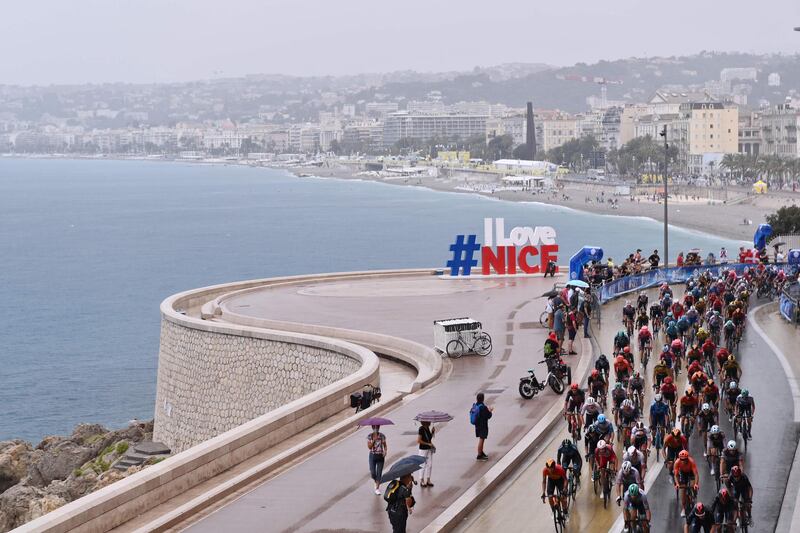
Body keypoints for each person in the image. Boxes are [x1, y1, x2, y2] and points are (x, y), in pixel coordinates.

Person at [674, 449, 700, 516]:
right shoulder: (677, 462)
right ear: (679, 458)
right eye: (682, 460)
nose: (683, 461)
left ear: (687, 458)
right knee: (683, 489)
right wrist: (677, 484)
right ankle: (683, 508)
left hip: (691, 472)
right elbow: (676, 475)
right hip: (683, 473)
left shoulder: (691, 461)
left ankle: (694, 495)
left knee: (692, 485)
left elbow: (696, 474)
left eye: (685, 459)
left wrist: (696, 484)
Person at [472, 393, 493, 460]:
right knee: (482, 439)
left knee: (481, 439)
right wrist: (490, 411)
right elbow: (488, 416)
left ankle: (481, 452)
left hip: (477, 425)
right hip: (483, 425)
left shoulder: (475, 406)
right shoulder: (482, 407)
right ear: (483, 399)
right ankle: (479, 454)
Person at [367, 425, 388, 494]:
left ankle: (377, 488)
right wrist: (373, 441)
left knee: (379, 472)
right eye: (374, 427)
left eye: (377, 427)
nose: (376, 429)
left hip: (380, 456)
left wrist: (385, 451)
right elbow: (369, 447)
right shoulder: (370, 436)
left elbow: (385, 445)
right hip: (372, 455)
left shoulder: (382, 436)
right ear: (372, 428)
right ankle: (376, 481)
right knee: (373, 472)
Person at [417, 421, 435, 487]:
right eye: (428, 421)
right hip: (423, 450)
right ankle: (421, 480)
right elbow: (419, 440)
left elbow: (429, 438)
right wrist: (428, 444)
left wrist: (432, 432)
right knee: (422, 465)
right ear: (425, 422)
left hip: (429, 449)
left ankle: (428, 480)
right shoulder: (421, 429)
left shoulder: (427, 428)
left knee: (430, 464)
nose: (430, 422)